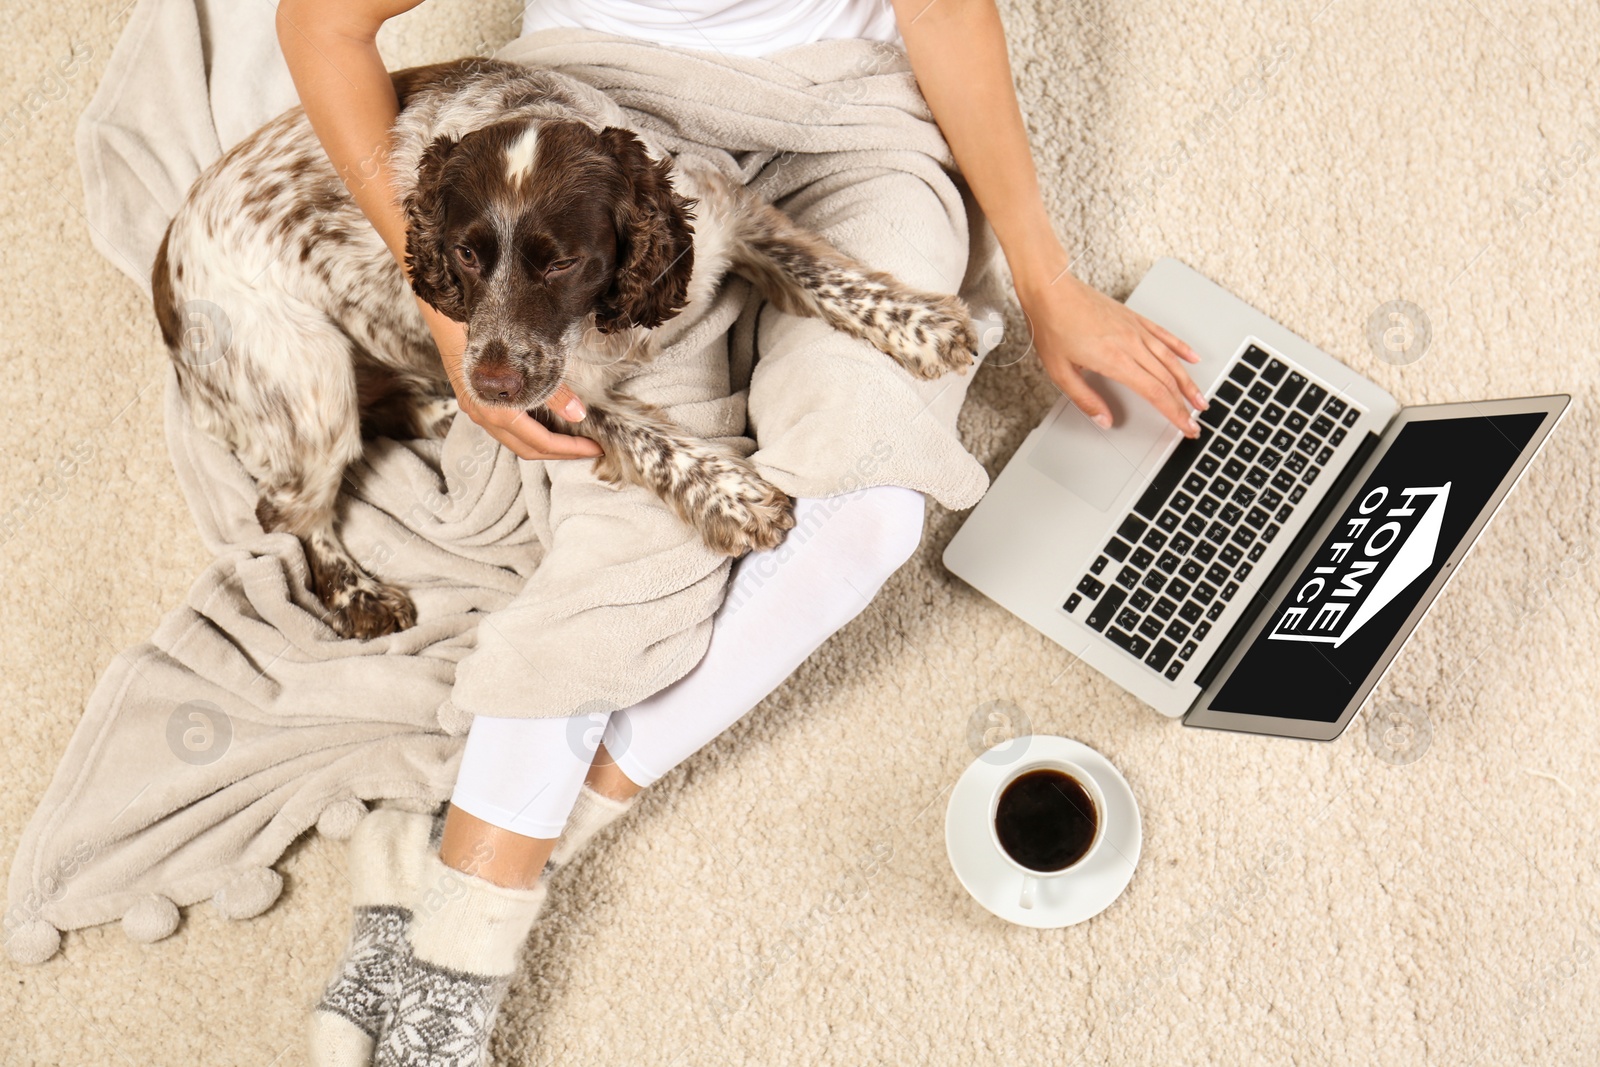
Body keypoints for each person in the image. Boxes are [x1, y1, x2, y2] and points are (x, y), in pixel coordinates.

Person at [277, 1, 1204, 1063]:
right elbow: (321, 25)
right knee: (630, 536)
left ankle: (470, 855)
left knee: (871, 503)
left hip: (849, 128)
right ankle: (457, 970)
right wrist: (457, 319)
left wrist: (1048, 283)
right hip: (599, 157)